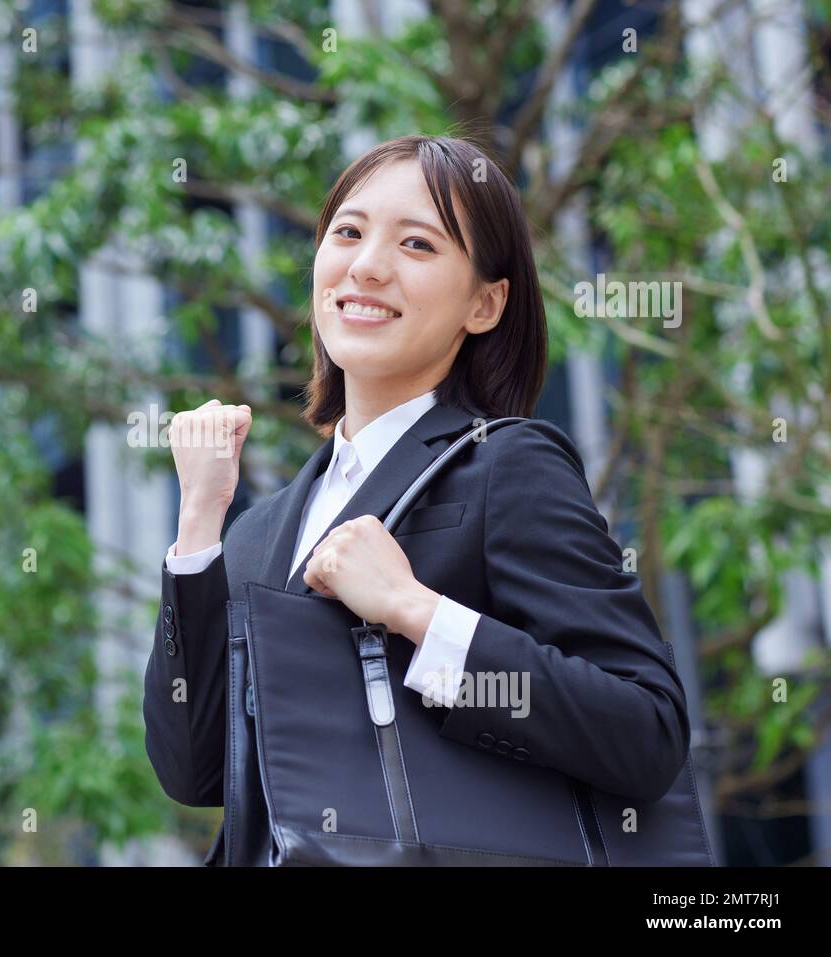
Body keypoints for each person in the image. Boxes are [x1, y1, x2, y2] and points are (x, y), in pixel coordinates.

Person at [142, 134, 690, 866]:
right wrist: (198, 526)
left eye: (418, 245)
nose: (367, 265)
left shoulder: (506, 466)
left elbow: (646, 731)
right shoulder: (260, 530)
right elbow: (196, 770)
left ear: (486, 304)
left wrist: (415, 612)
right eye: (348, 232)